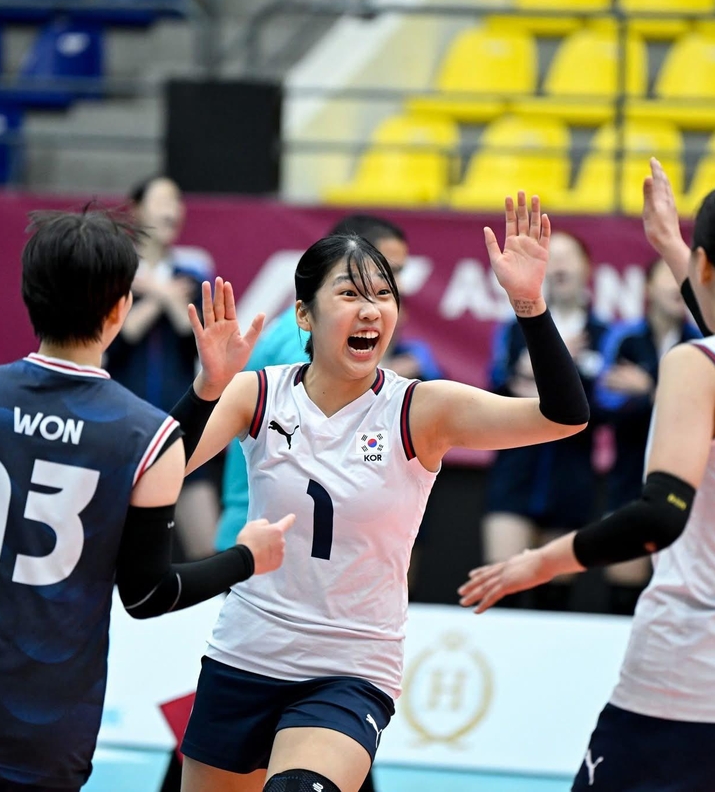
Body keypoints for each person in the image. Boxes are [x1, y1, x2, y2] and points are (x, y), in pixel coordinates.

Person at [169, 193, 589, 792]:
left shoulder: (421, 408)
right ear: (305, 316)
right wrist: (208, 387)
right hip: (246, 653)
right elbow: (162, 470)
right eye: (350, 294)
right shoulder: (257, 393)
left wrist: (528, 304)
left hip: (349, 667)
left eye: (383, 296)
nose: (371, 311)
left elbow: (564, 416)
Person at [0, 209, 291, 792]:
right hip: (45, 730)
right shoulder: (145, 435)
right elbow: (146, 594)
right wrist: (246, 557)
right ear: (120, 307)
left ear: (28, 295)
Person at [461, 165, 715, 791]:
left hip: (692, 678)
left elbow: (661, 514)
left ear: (705, 264)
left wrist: (539, 563)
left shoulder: (696, 363)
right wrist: (670, 241)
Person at [215, 214, 440, 553]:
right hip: (262, 536)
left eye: (396, 274)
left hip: (317, 546)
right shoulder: (298, 342)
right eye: (390, 269)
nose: (398, 285)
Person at [480, 229, 609, 611]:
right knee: (503, 586)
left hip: (570, 477)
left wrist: (553, 375)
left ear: (589, 269)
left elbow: (602, 408)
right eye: (554, 257)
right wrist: (535, 371)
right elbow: (496, 392)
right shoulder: (514, 331)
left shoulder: (605, 336)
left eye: (571, 257)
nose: (561, 265)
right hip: (515, 472)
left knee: (554, 599)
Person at [107, 176, 220, 559]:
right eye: (162, 200)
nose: (173, 209)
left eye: (178, 200)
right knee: (113, 550)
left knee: (208, 547)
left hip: (179, 426)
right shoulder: (115, 273)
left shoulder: (192, 276)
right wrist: (160, 295)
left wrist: (158, 292)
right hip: (121, 427)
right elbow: (113, 343)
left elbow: (198, 339)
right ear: (136, 209)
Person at [595, 258, 701, 614]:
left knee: (679, 599)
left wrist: (649, 389)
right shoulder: (624, 338)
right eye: (667, 275)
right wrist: (665, 398)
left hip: (687, 483)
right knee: (623, 596)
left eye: (682, 277)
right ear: (647, 289)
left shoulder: (700, 341)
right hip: (629, 479)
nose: (676, 284)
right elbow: (604, 402)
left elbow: (707, 408)